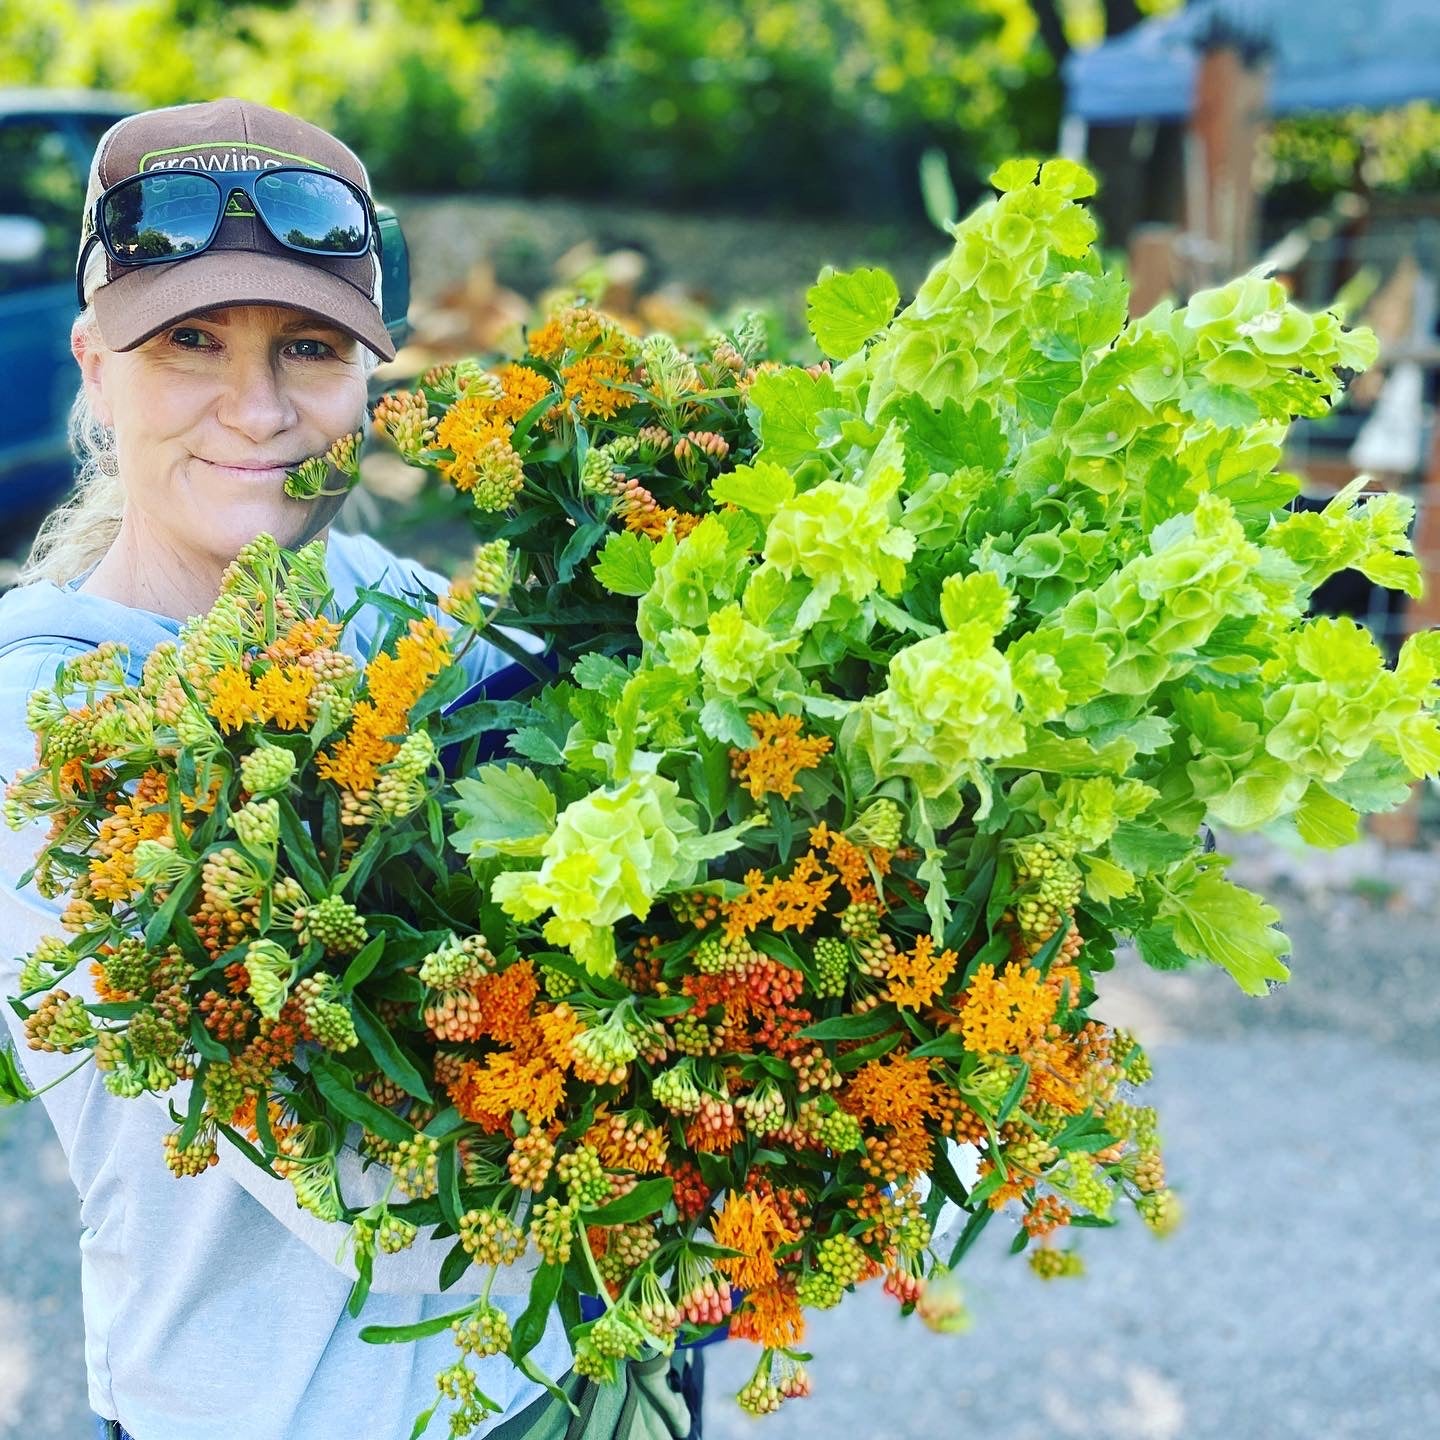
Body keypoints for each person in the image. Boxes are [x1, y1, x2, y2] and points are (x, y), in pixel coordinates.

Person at [0, 97, 587, 1440]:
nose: (258, 409)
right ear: (94, 362)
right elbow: (379, 1192)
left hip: (549, 1385)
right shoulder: (46, 716)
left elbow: (611, 744)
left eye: (309, 347)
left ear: (369, 377)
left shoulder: (384, 600)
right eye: (189, 340)